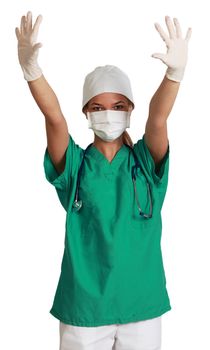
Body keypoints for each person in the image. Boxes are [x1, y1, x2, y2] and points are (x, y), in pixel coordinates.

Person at [15, 11, 192, 350]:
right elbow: (53, 117)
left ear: (129, 110)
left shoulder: (144, 161)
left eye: (117, 105)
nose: (107, 113)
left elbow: (158, 117)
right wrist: (32, 73)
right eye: (97, 107)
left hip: (141, 304)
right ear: (85, 112)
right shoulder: (75, 166)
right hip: (84, 305)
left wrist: (174, 74)